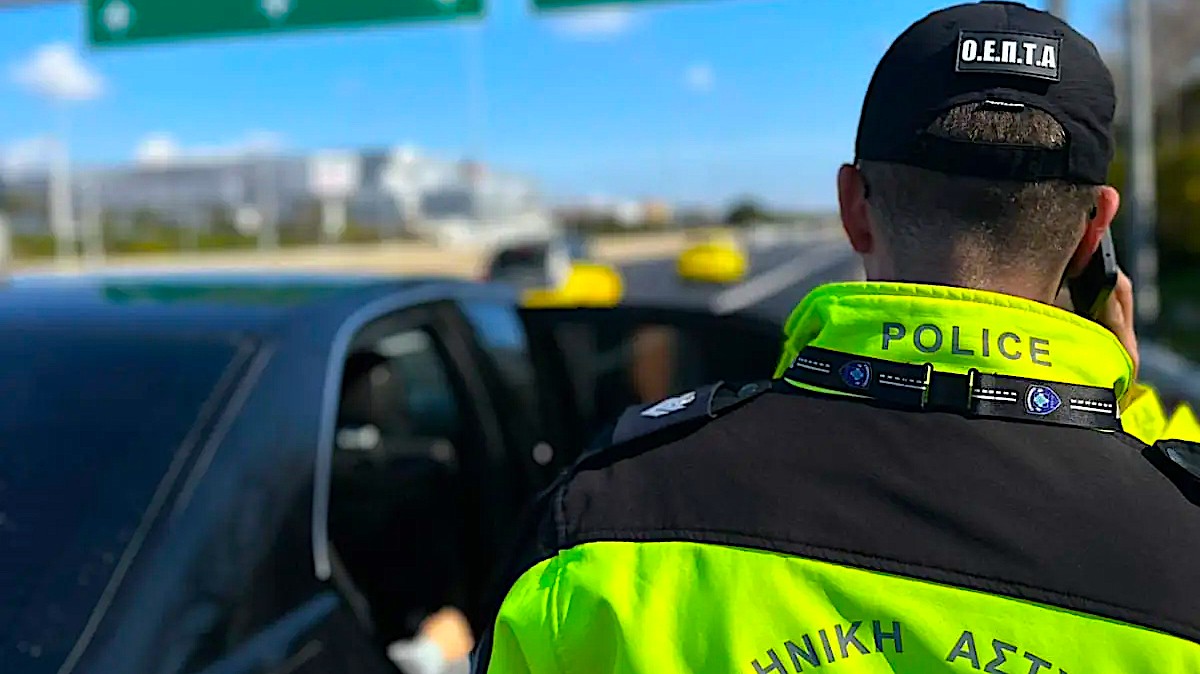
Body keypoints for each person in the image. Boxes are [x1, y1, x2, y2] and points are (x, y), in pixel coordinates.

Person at [471, 3, 1200, 673]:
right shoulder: (1178, 536)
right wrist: (1107, 407)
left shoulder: (603, 530)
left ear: (852, 206)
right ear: (1096, 233)